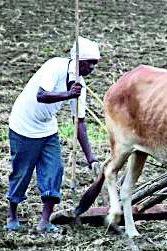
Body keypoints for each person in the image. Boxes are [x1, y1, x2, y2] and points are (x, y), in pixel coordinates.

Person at [6, 36, 101, 233]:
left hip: (47, 128)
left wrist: (90, 157)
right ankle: (12, 214)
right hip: (24, 125)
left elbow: (79, 123)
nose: (92, 68)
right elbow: (41, 96)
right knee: (22, 172)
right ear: (78, 61)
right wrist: (68, 94)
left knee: (54, 171)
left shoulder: (79, 86)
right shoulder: (55, 66)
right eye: (89, 63)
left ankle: (44, 222)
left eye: (95, 63)